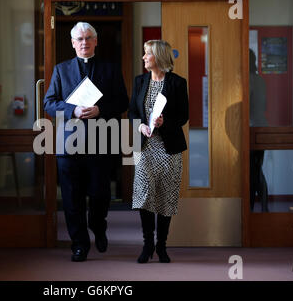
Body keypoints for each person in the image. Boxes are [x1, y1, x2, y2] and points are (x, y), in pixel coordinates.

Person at [44, 22, 129, 262]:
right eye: (79, 39)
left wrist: (100, 109)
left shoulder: (110, 69)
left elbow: (122, 101)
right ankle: (79, 244)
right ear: (73, 43)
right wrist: (73, 110)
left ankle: (98, 225)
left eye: (88, 38)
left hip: (101, 142)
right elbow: (49, 103)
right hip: (69, 144)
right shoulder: (61, 70)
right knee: (72, 198)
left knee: (100, 194)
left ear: (96, 41)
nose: (84, 42)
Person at [128, 40, 188, 263]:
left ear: (159, 57)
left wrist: (165, 123)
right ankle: (147, 245)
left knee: (165, 196)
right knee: (144, 195)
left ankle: (162, 246)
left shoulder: (178, 83)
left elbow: (183, 115)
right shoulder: (139, 81)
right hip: (145, 147)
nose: (144, 57)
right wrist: (140, 125)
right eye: (144, 54)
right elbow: (132, 110)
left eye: (147, 54)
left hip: (168, 148)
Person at [249, 49, 269, 212]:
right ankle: (264, 208)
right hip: (262, 126)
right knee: (256, 169)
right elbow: (265, 105)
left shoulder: (247, 80)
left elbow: (248, 106)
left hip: (251, 128)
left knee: (252, 172)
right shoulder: (260, 80)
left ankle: (253, 211)